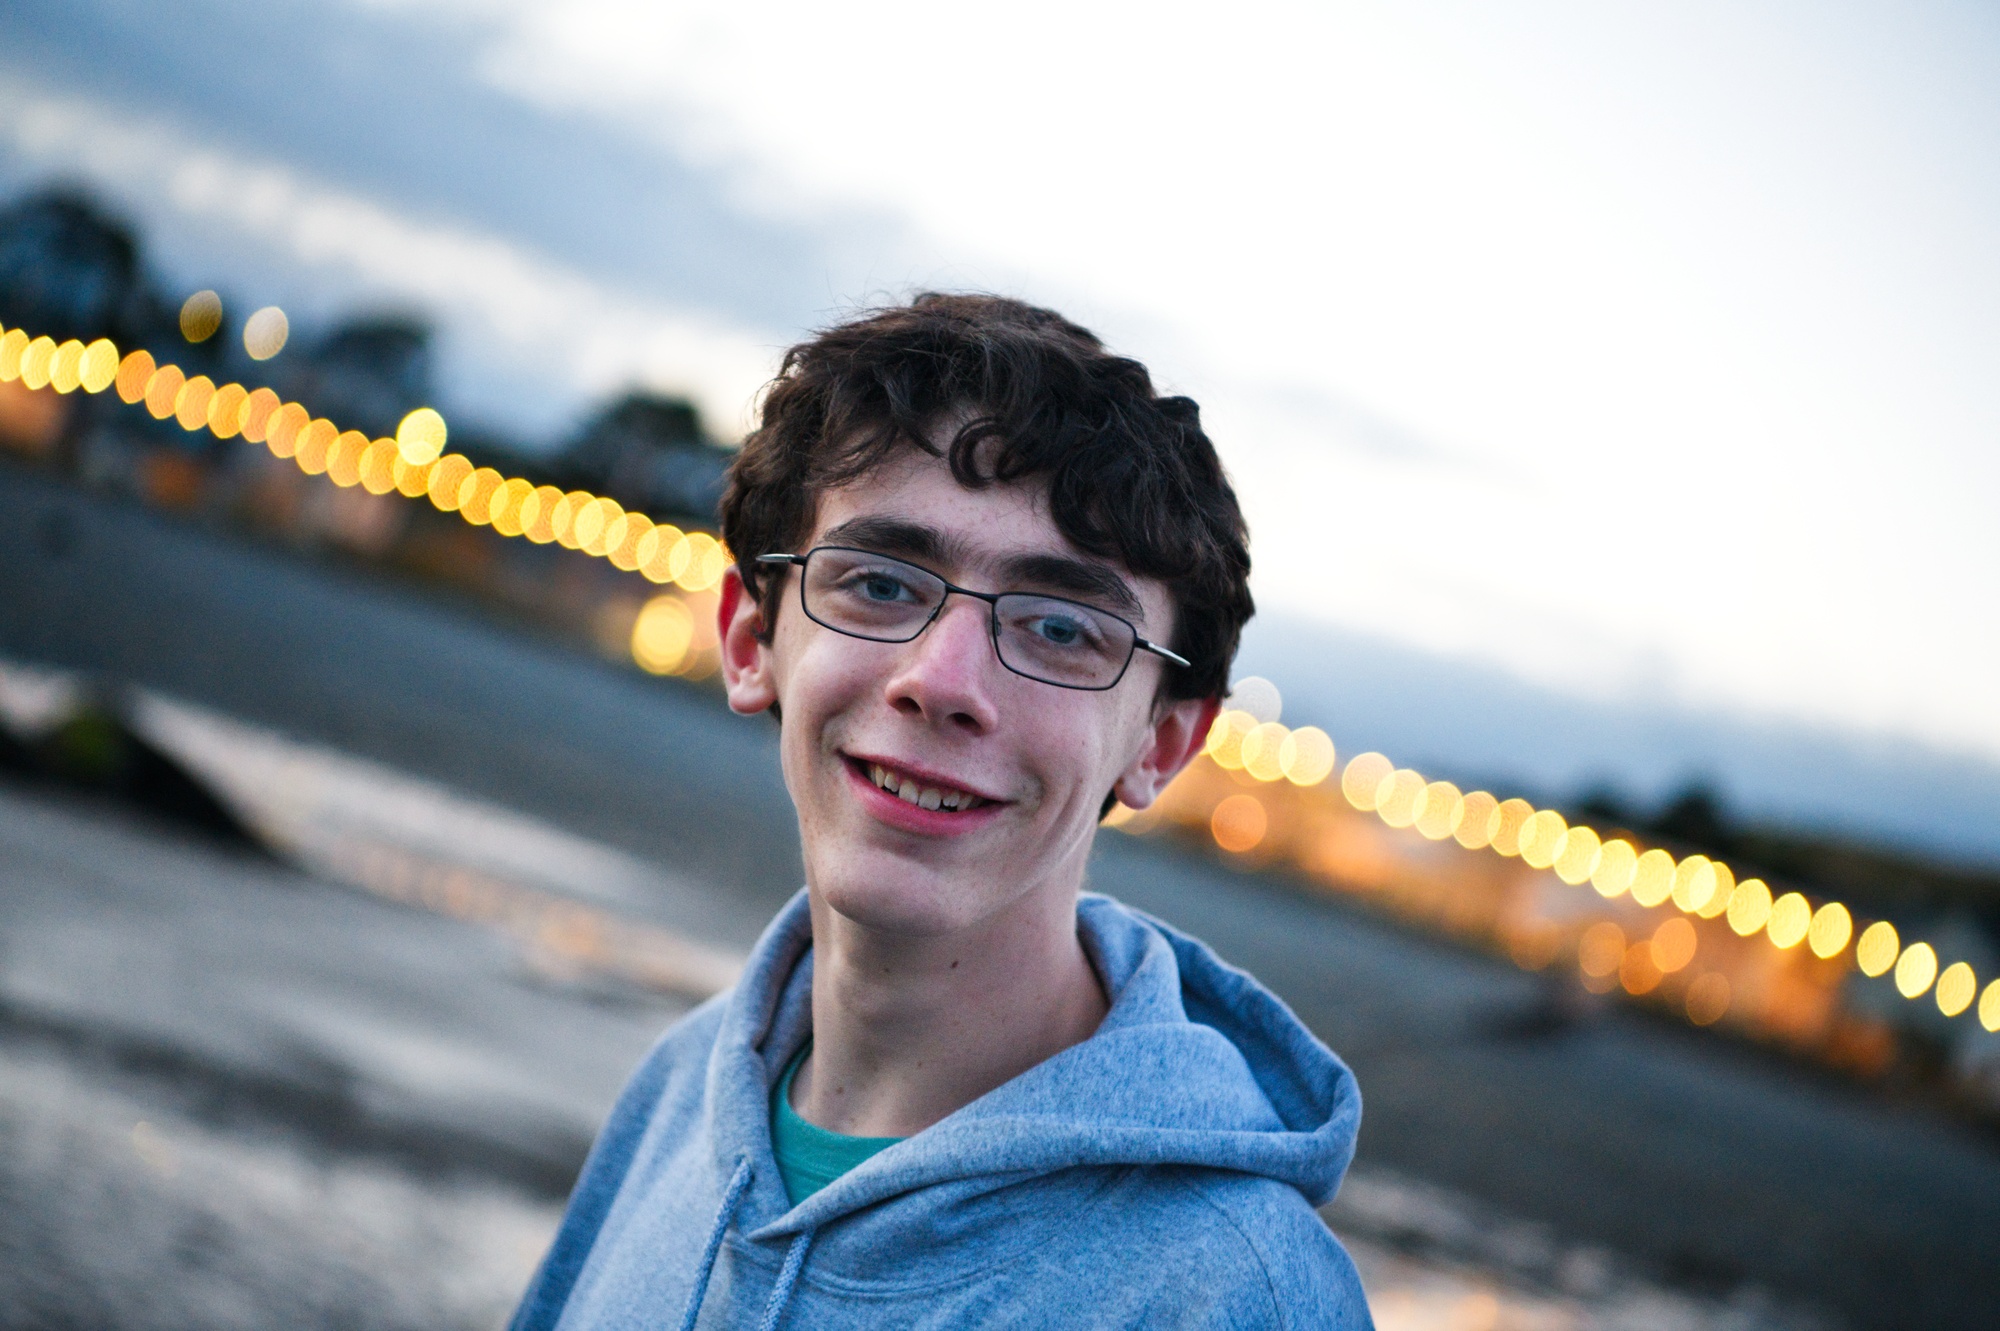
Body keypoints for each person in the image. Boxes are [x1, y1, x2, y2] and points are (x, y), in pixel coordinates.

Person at [509, 294, 1370, 1329]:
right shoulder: (680, 1090)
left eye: (1061, 627)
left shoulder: (1235, 1293)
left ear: (1162, 743)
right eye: (880, 583)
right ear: (748, 639)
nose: (941, 680)